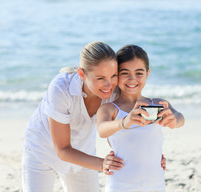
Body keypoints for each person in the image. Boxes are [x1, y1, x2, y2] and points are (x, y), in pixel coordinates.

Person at [22, 41, 125, 192]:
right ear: (82, 74)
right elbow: (63, 149)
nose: (109, 84)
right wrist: (102, 164)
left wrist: (152, 158)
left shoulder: (115, 93)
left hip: (83, 153)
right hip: (42, 150)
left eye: (113, 75)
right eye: (100, 78)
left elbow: (131, 125)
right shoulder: (61, 88)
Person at [97, 44, 185, 192]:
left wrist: (175, 120)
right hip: (120, 185)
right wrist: (125, 122)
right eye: (125, 73)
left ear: (147, 73)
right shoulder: (110, 109)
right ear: (116, 75)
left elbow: (180, 117)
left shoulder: (157, 104)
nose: (132, 79)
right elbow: (101, 130)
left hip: (155, 185)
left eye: (139, 73)